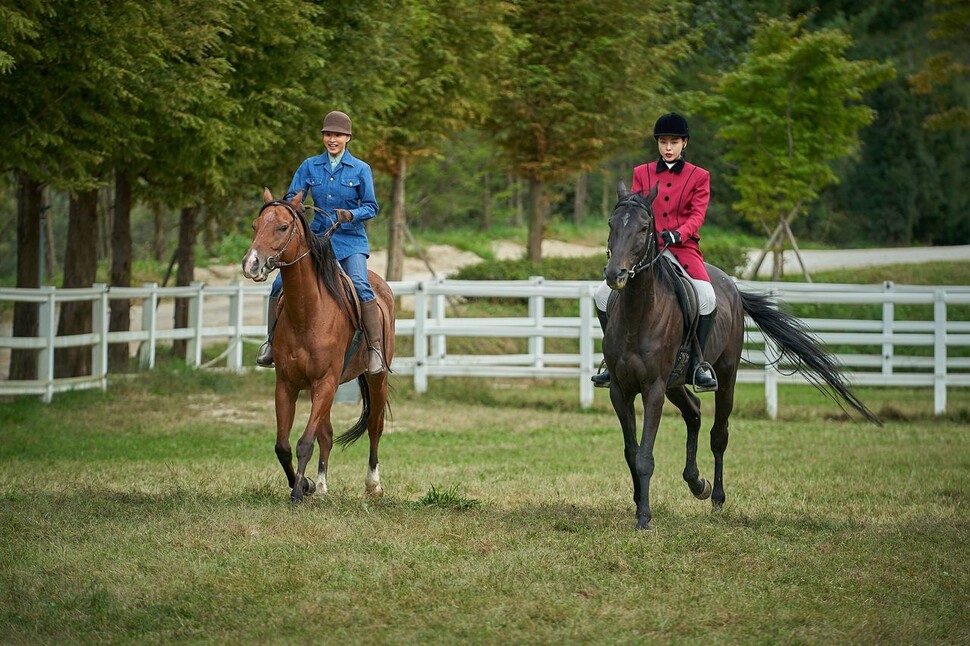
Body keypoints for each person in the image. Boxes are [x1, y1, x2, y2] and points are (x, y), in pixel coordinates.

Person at [592, 111, 718, 391]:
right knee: (601, 295)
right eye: (663, 142)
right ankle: (610, 359)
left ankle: (697, 364)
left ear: (684, 143)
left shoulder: (699, 176)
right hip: (646, 250)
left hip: (682, 248)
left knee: (707, 296)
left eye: (674, 142)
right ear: (658, 144)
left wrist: (679, 232)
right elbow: (635, 210)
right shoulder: (642, 172)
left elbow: (697, 216)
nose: (668, 147)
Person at [256, 110, 385, 374]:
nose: (332, 139)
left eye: (337, 135)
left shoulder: (361, 169)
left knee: (360, 284)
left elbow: (372, 206)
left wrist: (352, 215)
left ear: (347, 138)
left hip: (350, 241)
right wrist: (296, 205)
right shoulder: (309, 166)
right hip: (317, 240)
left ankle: (374, 349)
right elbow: (292, 196)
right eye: (328, 134)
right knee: (279, 284)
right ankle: (270, 343)